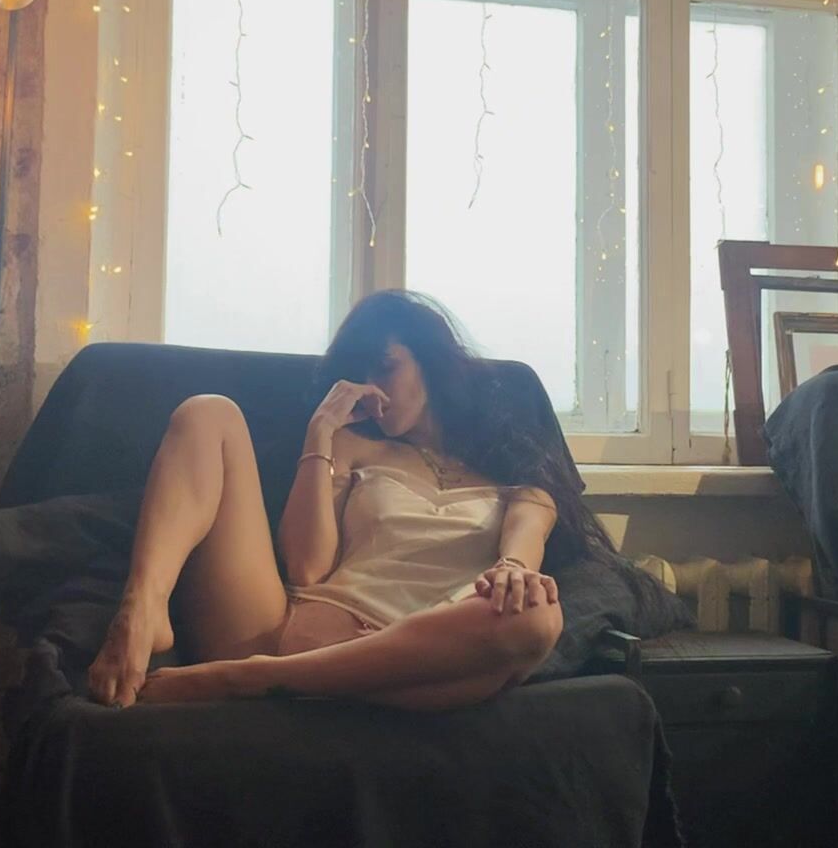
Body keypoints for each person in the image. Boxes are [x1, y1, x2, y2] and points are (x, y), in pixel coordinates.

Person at [87, 290, 624, 711]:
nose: (374, 388)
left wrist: (515, 571)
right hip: (280, 629)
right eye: (361, 373)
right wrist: (320, 431)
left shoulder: (519, 482)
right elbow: (307, 567)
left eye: (386, 366)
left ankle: (251, 680)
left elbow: (520, 553)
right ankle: (143, 608)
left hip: (411, 658)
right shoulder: (351, 445)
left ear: (431, 365)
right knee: (209, 412)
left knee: (537, 620)